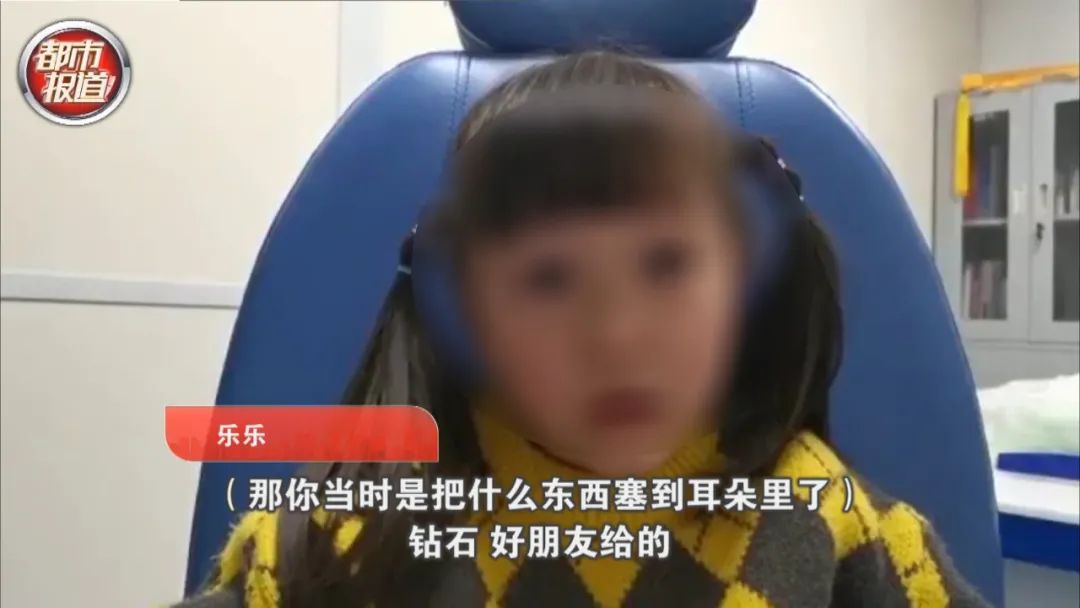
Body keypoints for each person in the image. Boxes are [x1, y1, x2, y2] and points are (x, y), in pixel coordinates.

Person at [175, 51, 988, 608]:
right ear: (462, 310)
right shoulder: (355, 530)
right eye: (548, 280)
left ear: (742, 285)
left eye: (667, 264)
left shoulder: (830, 518)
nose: (617, 337)